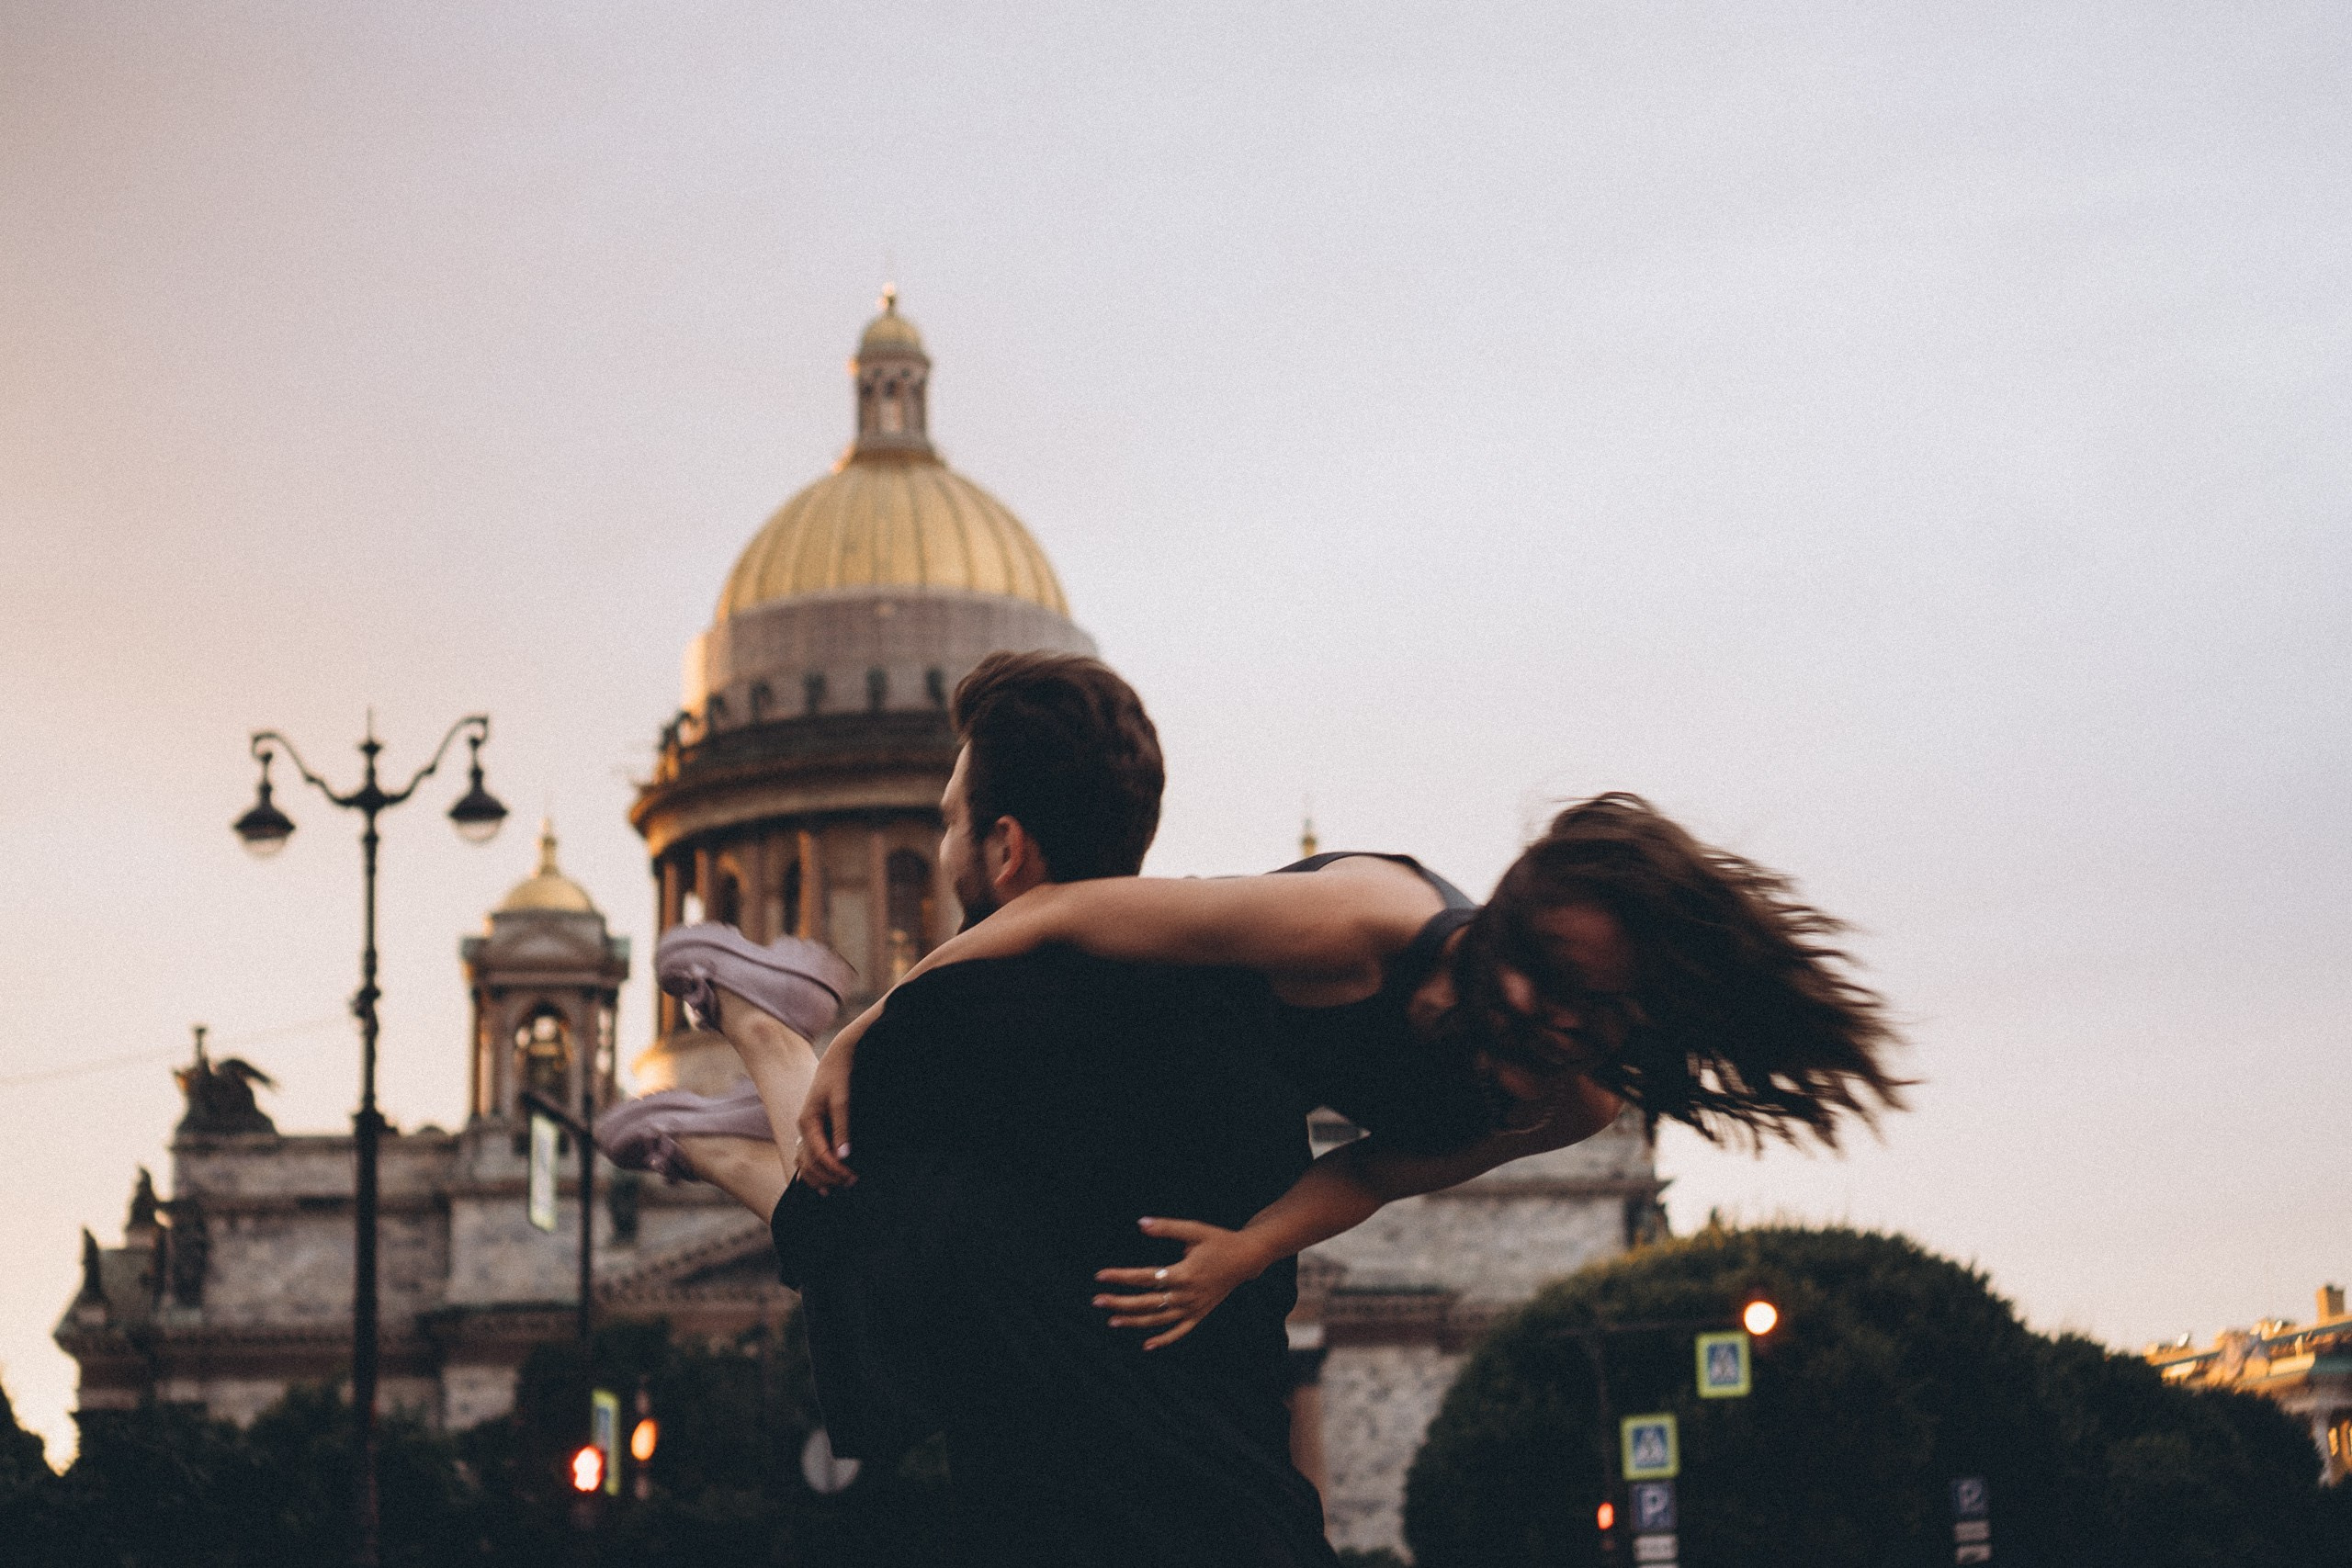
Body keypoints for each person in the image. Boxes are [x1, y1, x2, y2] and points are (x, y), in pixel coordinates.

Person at [600, 651, 1340, 1568]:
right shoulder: (1244, 996)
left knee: (852, 1232)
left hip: (1064, 1520)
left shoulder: (960, 1019)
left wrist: (873, 1029)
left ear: (1005, 846)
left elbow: (846, 1237)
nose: (942, 848)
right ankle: (737, 1119)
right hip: (1250, 1523)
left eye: (946, 823)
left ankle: (765, 1039)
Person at [792, 795, 1905, 1350]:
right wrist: (870, 1026)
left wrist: (1248, 1250)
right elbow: (1065, 912)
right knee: (859, 1211)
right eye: (1553, 987)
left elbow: (1377, 1172)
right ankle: (768, 1037)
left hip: (1222, 1115)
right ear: (1500, 930)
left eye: (1602, 1009)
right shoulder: (1352, 921)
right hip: (1101, 1017)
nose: (1566, 1027)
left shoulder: (1574, 1096)